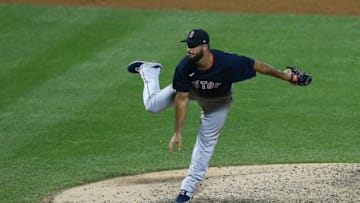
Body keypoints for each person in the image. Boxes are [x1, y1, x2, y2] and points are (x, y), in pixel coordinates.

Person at [127, 29, 311, 203]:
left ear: (205, 47)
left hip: (217, 103)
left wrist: (285, 76)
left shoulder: (227, 62)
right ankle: (150, 71)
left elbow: (258, 66)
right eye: (188, 45)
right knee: (152, 106)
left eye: (193, 45)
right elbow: (181, 99)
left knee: (207, 140)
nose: (188, 49)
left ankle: (188, 187)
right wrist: (178, 132)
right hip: (191, 91)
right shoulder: (185, 66)